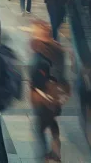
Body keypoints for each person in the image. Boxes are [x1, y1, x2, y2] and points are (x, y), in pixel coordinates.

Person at [29, 20, 70, 162]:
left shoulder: (41, 54)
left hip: (44, 100)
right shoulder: (58, 50)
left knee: (40, 130)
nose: (32, 33)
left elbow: (38, 79)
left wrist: (38, 88)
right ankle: (56, 146)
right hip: (56, 97)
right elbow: (61, 73)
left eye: (35, 31)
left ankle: (45, 157)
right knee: (51, 121)